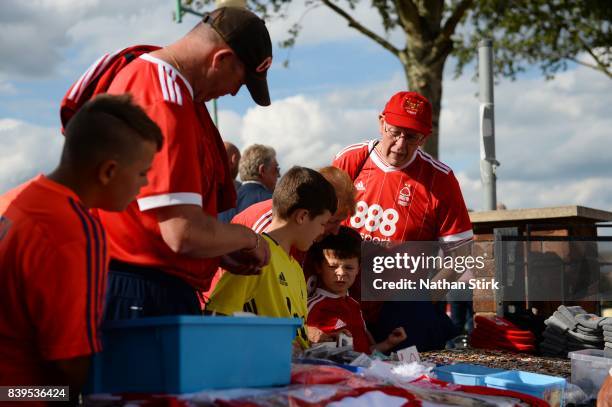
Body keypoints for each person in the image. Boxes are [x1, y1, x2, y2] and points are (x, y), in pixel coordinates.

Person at [63, 7, 274, 320]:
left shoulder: (168, 89)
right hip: (139, 286)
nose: (233, 92)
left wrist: (218, 250)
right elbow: (182, 233)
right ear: (221, 59)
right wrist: (249, 238)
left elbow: (165, 227)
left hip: (138, 282)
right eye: (241, 82)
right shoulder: (164, 97)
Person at [0, 95, 162, 397]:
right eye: (142, 173)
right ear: (108, 172)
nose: (144, 186)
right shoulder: (76, 230)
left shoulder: (12, 200)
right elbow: (69, 364)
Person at [332, 91, 473, 351]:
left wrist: (424, 299)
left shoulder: (439, 179)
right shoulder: (351, 159)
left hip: (399, 304)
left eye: (411, 137)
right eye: (394, 132)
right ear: (381, 123)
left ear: (424, 138)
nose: (399, 144)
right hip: (344, 296)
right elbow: (323, 225)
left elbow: (461, 254)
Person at [207, 167, 338, 349]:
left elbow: (292, 333)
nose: (323, 231)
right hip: (262, 375)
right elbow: (215, 320)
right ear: (302, 216)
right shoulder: (254, 257)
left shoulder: (296, 269)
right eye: (322, 223)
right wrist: (271, 346)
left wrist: (312, 339)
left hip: (294, 374)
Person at [306, 227, 407, 354]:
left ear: (358, 269)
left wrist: (388, 343)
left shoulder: (354, 306)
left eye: (348, 267)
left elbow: (364, 354)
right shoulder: (312, 307)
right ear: (319, 267)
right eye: (333, 266)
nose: (341, 273)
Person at [219, 144, 279, 223]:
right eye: (276, 169)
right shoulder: (274, 203)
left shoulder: (223, 205)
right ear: (263, 170)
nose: (279, 175)